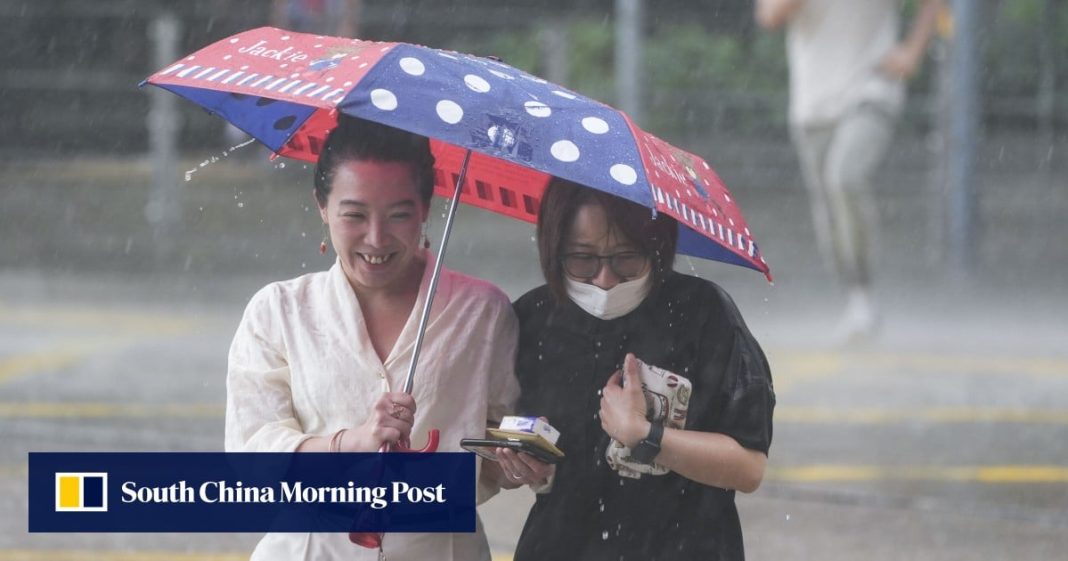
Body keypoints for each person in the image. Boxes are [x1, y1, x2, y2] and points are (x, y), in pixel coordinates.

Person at [225, 116, 519, 560]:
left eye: (399, 214)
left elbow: (497, 449)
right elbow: (253, 459)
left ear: (426, 207)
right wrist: (351, 444)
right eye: (355, 215)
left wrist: (518, 463)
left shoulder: (483, 312)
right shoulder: (278, 312)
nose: (376, 239)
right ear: (322, 206)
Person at [495, 179, 775, 560]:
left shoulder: (703, 313)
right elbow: (499, 459)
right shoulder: (531, 319)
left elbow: (748, 467)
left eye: (626, 258)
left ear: (656, 248)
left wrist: (646, 436)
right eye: (582, 259)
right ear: (553, 250)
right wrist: (519, 468)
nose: (605, 279)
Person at [756, 0, 943, 340]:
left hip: (873, 88)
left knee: (845, 177)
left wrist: (913, 51)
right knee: (828, 212)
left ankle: (864, 296)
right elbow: (769, 16)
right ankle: (857, 298)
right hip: (813, 102)